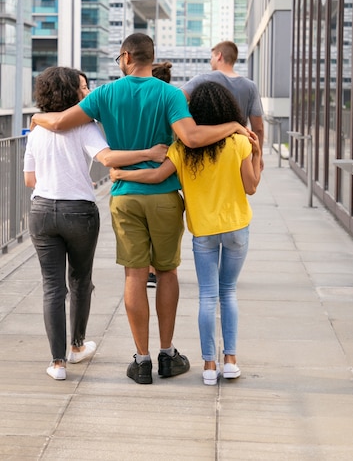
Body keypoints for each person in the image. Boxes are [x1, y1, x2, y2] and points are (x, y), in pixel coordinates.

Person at [30, 33, 249, 385]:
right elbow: (192, 138)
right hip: (163, 196)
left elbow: (57, 122)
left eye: (119, 57)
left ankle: (142, 360)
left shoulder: (104, 94)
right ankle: (167, 354)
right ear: (151, 57)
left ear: (127, 56)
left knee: (135, 274)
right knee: (167, 272)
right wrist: (235, 125)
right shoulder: (171, 95)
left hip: (125, 196)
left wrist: (37, 119)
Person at [110, 81, 261, 385]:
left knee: (207, 295)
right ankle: (229, 360)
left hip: (203, 231)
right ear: (227, 110)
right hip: (236, 228)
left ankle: (207, 366)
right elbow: (252, 186)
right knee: (227, 291)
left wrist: (121, 173)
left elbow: (155, 175)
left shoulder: (182, 149)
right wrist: (257, 153)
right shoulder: (239, 143)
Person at [24, 66, 167, 381]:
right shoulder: (85, 128)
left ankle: (57, 363)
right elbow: (108, 159)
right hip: (79, 212)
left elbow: (29, 179)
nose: (87, 93)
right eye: (83, 88)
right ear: (72, 92)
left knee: (52, 287)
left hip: (42, 211)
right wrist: (151, 152)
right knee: (80, 282)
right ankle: (76, 346)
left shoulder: (37, 129)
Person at [182, 40, 264, 169]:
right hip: (239, 153)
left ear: (219, 56)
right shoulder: (250, 86)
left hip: (204, 151)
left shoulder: (203, 79)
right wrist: (258, 155)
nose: (210, 61)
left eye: (211, 57)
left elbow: (176, 100)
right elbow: (258, 128)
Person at [146, 60, 174, 288]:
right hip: (166, 183)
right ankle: (155, 269)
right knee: (163, 244)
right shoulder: (172, 100)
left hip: (132, 187)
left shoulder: (139, 103)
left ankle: (147, 271)